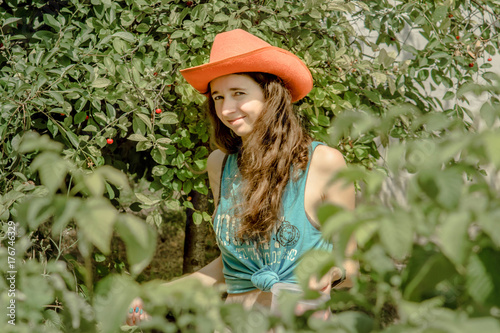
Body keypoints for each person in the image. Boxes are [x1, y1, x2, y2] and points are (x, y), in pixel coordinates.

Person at [126, 29, 357, 326]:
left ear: (270, 95)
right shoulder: (220, 166)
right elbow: (227, 270)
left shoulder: (323, 163)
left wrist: (332, 272)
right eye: (219, 97)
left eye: (238, 94)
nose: (225, 109)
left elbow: (352, 267)